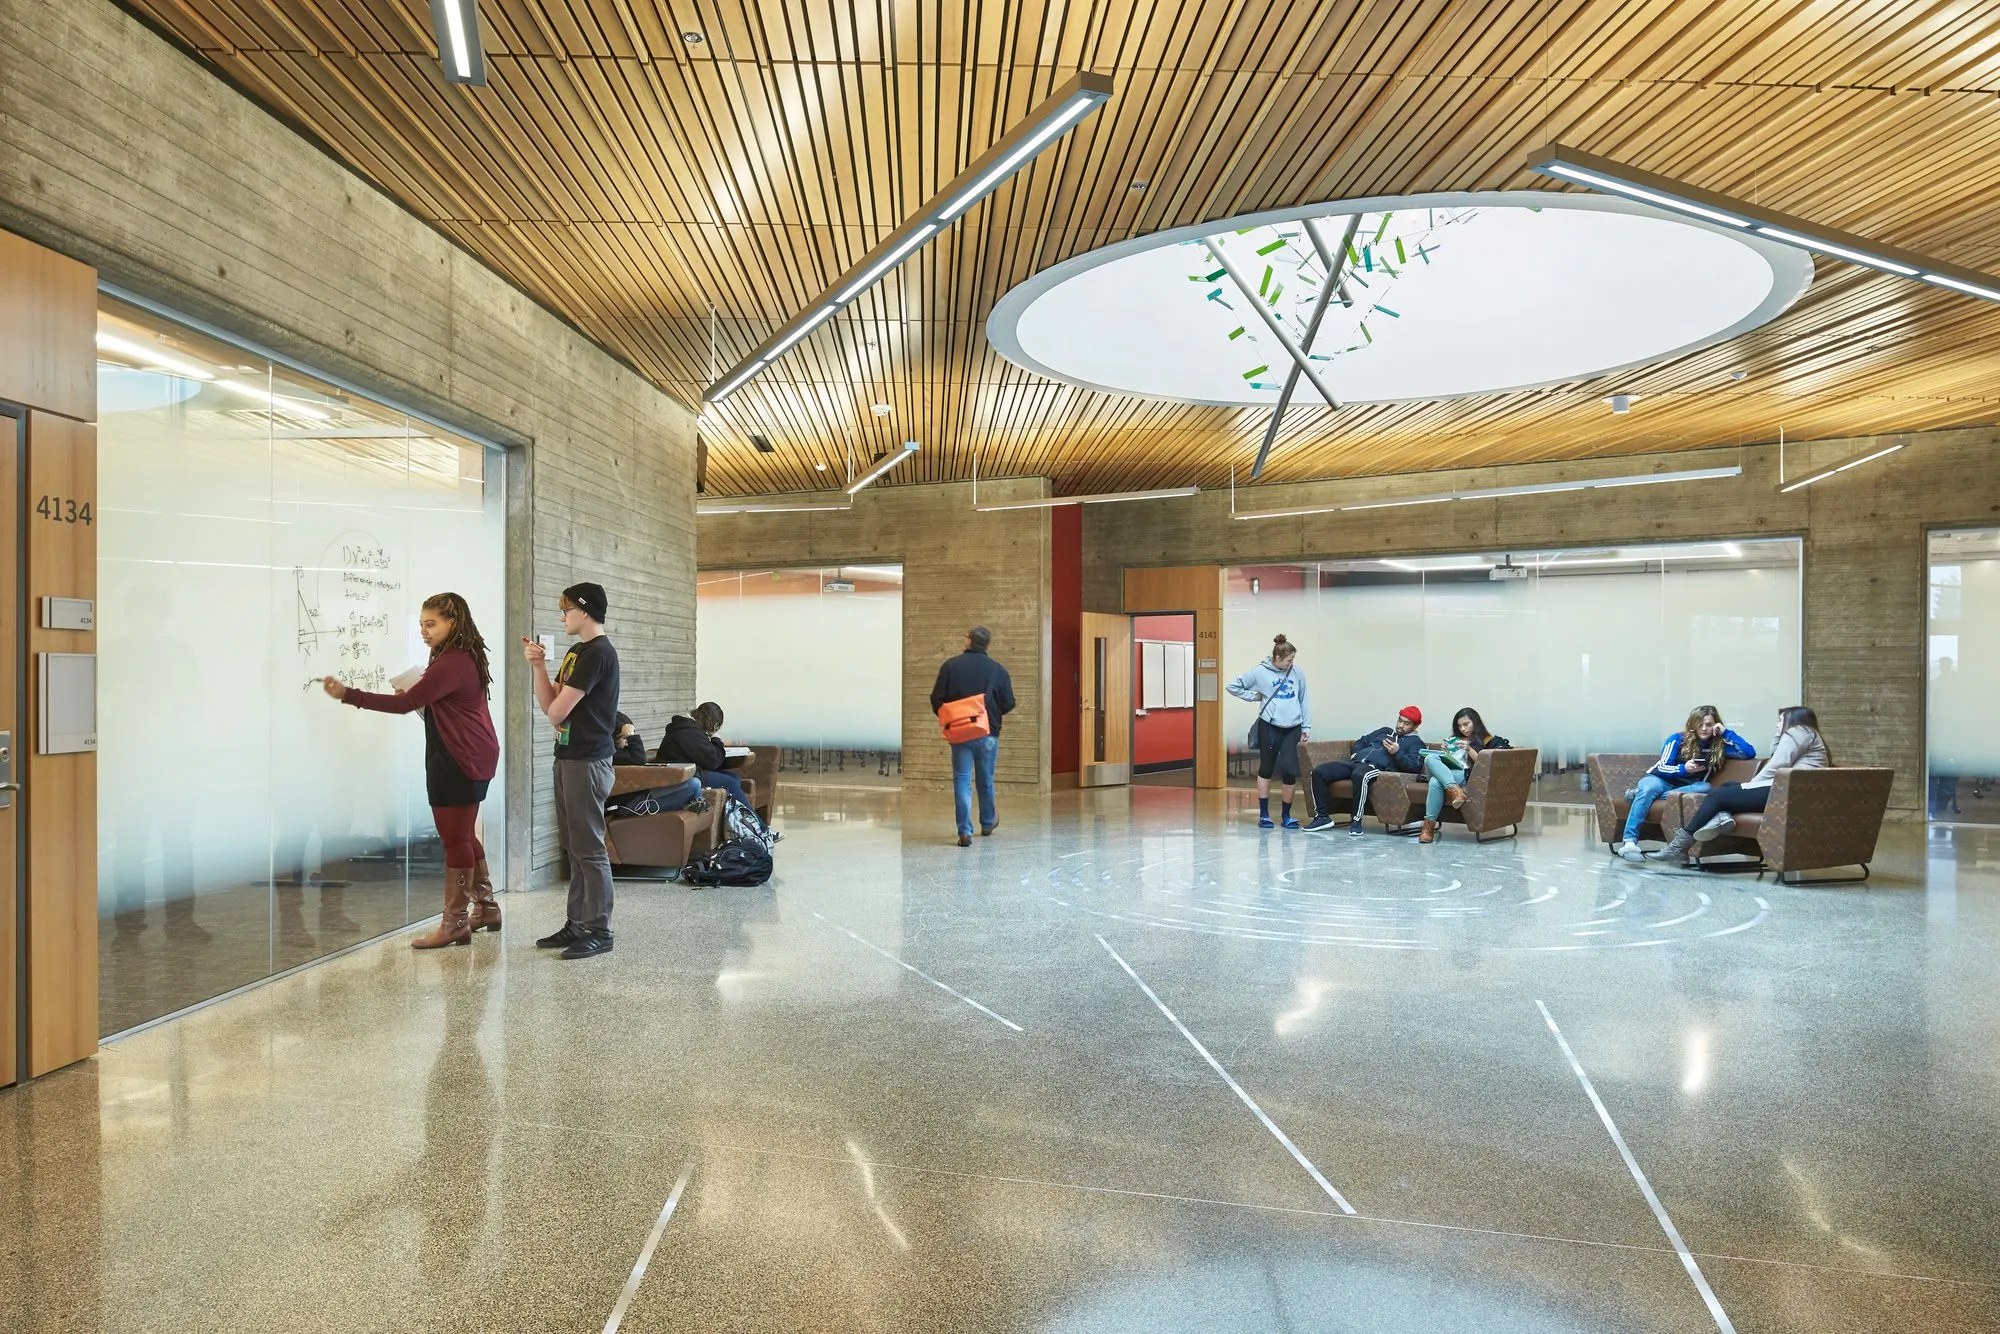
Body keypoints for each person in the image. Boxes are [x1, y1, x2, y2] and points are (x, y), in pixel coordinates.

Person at [323, 592, 500, 948]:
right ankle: (486, 908)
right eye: (421, 625)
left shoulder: (451, 662)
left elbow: (406, 704)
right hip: (472, 754)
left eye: (431, 624)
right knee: (464, 834)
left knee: (455, 839)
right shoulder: (463, 656)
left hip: (458, 758)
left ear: (453, 623)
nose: (424, 631)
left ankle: (455, 922)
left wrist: (348, 694)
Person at [524, 582, 621, 959]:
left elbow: (556, 713)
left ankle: (599, 928)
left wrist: (555, 709)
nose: (562, 616)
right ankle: (578, 923)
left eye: (567, 610)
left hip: (588, 761)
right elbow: (549, 703)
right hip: (567, 756)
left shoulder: (598, 654)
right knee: (575, 847)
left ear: (585, 611)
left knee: (590, 848)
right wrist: (538, 666)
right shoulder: (577, 652)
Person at [1648, 706, 1831, 864]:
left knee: (1718, 795)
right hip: (1790, 790)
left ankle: (1677, 848)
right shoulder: (1806, 734)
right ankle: (1722, 818)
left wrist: (1751, 784)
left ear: (1793, 720)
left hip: (1786, 792)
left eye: (1780, 720)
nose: (1777, 723)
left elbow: (1776, 764)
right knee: (1728, 786)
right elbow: (1776, 754)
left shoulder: (1797, 732)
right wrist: (1779, 734)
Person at [1615, 706, 1756, 861]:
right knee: (1649, 788)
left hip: (1688, 787)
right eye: (1700, 724)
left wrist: (1726, 732)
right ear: (1693, 724)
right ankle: (1629, 842)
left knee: (1705, 787)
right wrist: (1684, 769)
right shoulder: (1677, 739)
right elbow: (1662, 767)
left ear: (1715, 725)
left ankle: (1639, 794)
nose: (1704, 728)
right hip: (1660, 780)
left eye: (1709, 725)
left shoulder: (1718, 746)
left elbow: (1748, 753)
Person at [929, 626, 1016, 847]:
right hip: (988, 733)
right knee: (985, 779)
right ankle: (987, 822)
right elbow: (1009, 703)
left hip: (959, 733)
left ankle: (964, 832)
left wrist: (953, 717)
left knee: (961, 779)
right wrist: (990, 713)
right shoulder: (998, 670)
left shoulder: (950, 666)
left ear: (969, 641)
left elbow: (936, 699)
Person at [656, 702, 779, 838]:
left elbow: (707, 757)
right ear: (712, 723)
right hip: (685, 777)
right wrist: (716, 740)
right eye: (716, 727)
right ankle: (761, 830)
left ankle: (743, 827)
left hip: (690, 772)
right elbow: (713, 760)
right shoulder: (688, 731)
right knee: (730, 782)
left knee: (734, 779)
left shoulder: (687, 729)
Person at [1226, 633, 1311, 829]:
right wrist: (1256, 697)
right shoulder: (1260, 672)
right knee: (1266, 768)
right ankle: (1264, 815)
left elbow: (1303, 699)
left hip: (1293, 727)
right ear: (1277, 658)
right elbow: (1232, 686)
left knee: (1290, 771)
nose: (1291, 663)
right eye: (1288, 660)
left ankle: (1286, 816)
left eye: (1293, 660)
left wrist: (1306, 726)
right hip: (1270, 726)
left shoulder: (1297, 673)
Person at [1304, 706, 1427, 835]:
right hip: (1355, 763)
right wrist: (1355, 753)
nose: (1401, 725)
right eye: (1400, 720)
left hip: (1376, 768)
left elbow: (1414, 767)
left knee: (1360, 775)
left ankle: (1356, 821)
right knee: (1319, 772)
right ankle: (1322, 817)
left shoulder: (1416, 743)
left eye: (1406, 723)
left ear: (1415, 726)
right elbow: (1362, 741)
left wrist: (1397, 753)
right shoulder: (1385, 731)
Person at [1416, 707, 1513, 844]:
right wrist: (1446, 753)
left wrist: (1469, 749)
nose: (1462, 729)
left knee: (1435, 782)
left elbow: (1485, 766)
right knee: (1430, 758)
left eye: (1466, 724)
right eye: (1459, 726)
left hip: (1466, 775)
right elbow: (1447, 763)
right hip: (1450, 773)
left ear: (1475, 722)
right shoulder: (1454, 739)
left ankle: (1428, 828)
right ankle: (1455, 790)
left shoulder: (1487, 740)